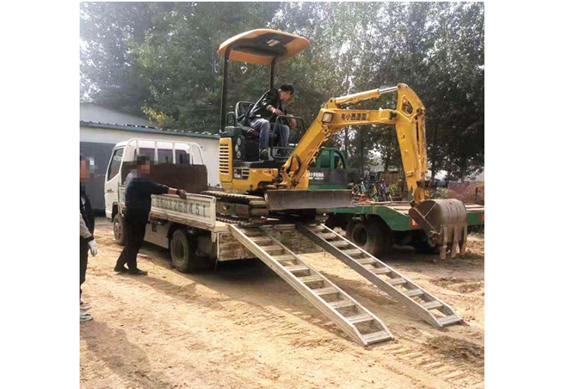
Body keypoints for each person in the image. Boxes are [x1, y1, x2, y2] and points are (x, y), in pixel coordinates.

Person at [115, 156, 187, 275]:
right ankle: (127, 267)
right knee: (135, 242)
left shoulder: (131, 175)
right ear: (142, 165)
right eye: (147, 165)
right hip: (136, 216)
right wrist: (178, 191)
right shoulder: (139, 179)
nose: (149, 167)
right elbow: (159, 188)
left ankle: (122, 265)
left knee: (133, 242)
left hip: (132, 213)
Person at [246, 84, 296, 160]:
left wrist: (291, 118)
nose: (288, 98)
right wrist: (273, 109)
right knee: (265, 123)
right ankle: (263, 151)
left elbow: (281, 113)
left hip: (267, 123)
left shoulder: (279, 103)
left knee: (285, 128)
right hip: (255, 119)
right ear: (288, 93)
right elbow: (265, 103)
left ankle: (282, 154)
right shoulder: (273, 93)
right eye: (289, 96)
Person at [80, 154, 97, 322]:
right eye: (85, 168)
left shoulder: (80, 187)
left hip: (81, 239)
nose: (88, 172)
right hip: (78, 238)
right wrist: (88, 236)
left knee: (80, 271)